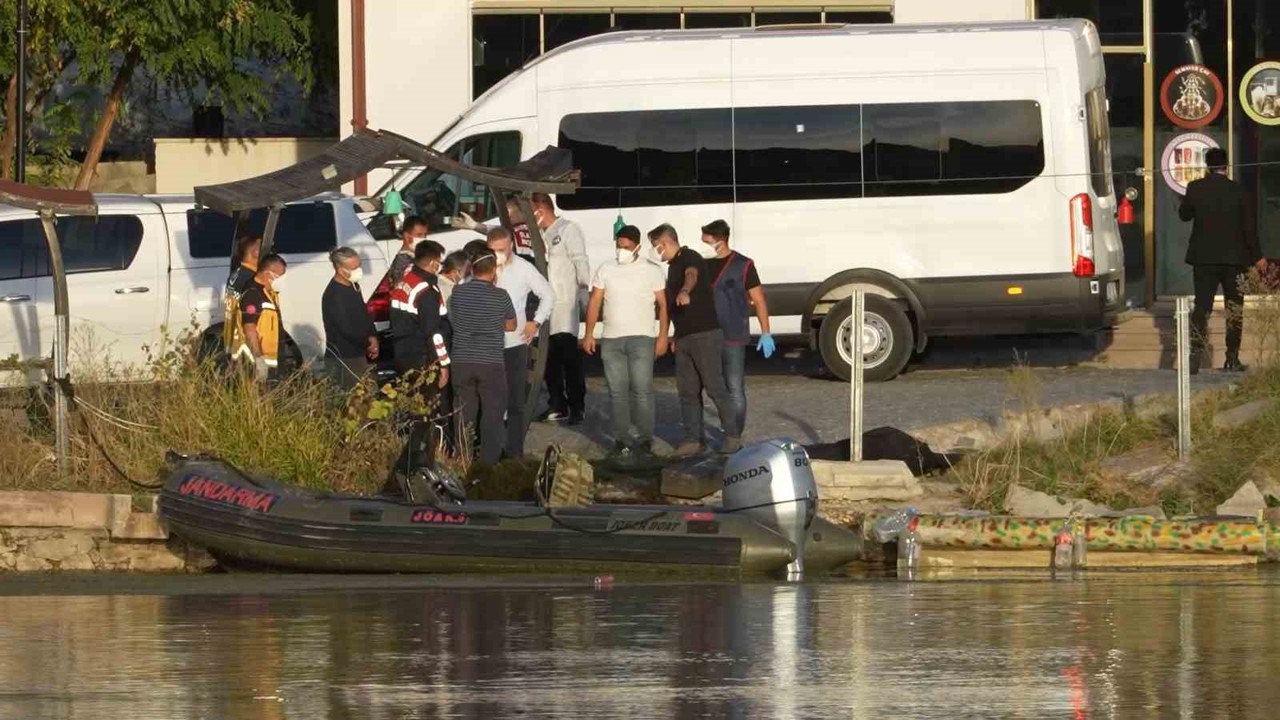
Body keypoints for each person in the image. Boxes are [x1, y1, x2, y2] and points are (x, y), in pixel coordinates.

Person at [648, 224, 742, 455]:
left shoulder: (689, 257)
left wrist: (685, 291)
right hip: (684, 338)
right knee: (687, 390)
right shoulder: (671, 268)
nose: (654, 251)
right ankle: (693, 439)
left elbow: (692, 275)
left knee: (714, 386)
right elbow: (669, 308)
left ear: (666, 243)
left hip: (705, 334)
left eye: (655, 246)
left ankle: (732, 435)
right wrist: (672, 336)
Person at [582, 225, 669, 462]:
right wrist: (589, 333)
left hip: (642, 338)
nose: (621, 250)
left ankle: (644, 440)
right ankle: (621, 440)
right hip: (611, 339)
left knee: (642, 391)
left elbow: (663, 305)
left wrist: (663, 336)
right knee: (617, 393)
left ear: (638, 247)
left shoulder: (652, 270)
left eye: (626, 247)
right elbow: (595, 302)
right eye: (618, 246)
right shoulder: (606, 269)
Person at [1179, 147, 1265, 374]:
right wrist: (1257, 256)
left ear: (1207, 167)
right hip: (1235, 259)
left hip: (1204, 259)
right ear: (1226, 166)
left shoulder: (1195, 188)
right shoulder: (1238, 191)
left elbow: (1184, 215)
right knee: (1234, 308)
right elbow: (1249, 227)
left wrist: (1187, 200)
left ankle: (1195, 355)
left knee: (1202, 306)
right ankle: (1232, 358)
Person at [699, 219, 774, 434]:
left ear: (720, 241)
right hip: (706, 335)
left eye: (706, 241)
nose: (703, 245)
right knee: (712, 387)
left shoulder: (743, 265)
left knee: (734, 388)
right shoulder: (701, 265)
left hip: (733, 335)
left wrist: (766, 332)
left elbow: (758, 299)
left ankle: (734, 434)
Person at [489, 227, 555, 456]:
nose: (498, 254)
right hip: (488, 344)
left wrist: (535, 322)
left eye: (502, 250)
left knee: (516, 401)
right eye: (493, 250)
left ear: (511, 247)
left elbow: (548, 295)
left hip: (515, 343)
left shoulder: (523, 269)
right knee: (491, 401)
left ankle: (514, 451)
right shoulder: (483, 267)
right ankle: (490, 451)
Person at [448, 251, 518, 465]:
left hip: (461, 360)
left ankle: (463, 458)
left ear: (472, 269)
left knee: (463, 412)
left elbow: (453, 317)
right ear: (494, 270)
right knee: (492, 414)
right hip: (490, 362)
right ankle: (489, 462)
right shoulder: (501, 295)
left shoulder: (457, 293)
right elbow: (512, 324)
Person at [389, 240, 452, 473]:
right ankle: (420, 464)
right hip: (423, 358)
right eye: (440, 263)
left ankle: (410, 462)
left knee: (414, 410)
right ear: (434, 263)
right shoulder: (426, 291)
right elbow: (433, 332)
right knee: (428, 414)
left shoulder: (405, 281)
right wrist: (443, 363)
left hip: (403, 354)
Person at [529, 192, 590, 424]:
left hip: (565, 302)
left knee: (568, 357)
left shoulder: (568, 229)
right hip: (546, 303)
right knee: (548, 358)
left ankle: (577, 406)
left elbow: (580, 260)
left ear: (541, 210)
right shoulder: (541, 233)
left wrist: (584, 290)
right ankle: (557, 404)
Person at [321, 247, 378, 390]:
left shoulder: (353, 286)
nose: (359, 270)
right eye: (354, 267)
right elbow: (346, 328)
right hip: (345, 358)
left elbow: (364, 313)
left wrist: (373, 336)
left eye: (359, 265)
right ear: (341, 270)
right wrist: (367, 343)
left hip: (359, 352)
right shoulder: (334, 295)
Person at [234, 254, 288, 382]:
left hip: (271, 361)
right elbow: (249, 327)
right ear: (268, 273)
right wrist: (258, 358)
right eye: (280, 276)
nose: (281, 280)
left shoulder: (266, 293)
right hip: (259, 363)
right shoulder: (253, 294)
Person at [453, 198, 535, 260]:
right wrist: (474, 225)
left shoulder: (530, 229)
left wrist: (475, 226)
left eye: (508, 212)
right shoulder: (530, 229)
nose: (505, 216)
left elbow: (498, 232)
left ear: (521, 213)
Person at [222, 234, 261, 358]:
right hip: (245, 344)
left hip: (233, 341)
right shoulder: (250, 279)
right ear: (255, 253)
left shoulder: (237, 273)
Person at [389, 215, 429, 282]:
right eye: (419, 235)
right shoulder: (402, 261)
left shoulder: (416, 256)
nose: (423, 238)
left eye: (425, 235)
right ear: (407, 236)